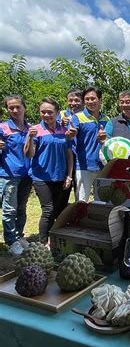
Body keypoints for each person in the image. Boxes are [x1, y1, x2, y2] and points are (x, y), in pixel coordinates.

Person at [24, 98, 73, 245]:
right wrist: (30, 138)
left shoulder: (65, 130)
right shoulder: (35, 130)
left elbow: (69, 154)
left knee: (59, 210)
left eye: (50, 112)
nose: (46, 115)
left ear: (57, 112)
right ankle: (43, 243)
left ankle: (56, 239)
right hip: (41, 177)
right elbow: (29, 154)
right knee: (48, 210)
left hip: (60, 176)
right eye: (43, 112)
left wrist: (69, 176)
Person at [0, 95, 32, 255]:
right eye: (11, 107)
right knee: (9, 210)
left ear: (24, 107)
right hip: (8, 174)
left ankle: (19, 236)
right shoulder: (3, 128)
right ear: (7, 109)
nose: (15, 110)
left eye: (18, 107)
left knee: (21, 208)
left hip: (26, 174)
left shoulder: (30, 128)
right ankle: (11, 241)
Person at [71, 86, 110, 202]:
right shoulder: (77, 117)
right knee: (81, 202)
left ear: (100, 100)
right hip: (84, 166)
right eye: (87, 99)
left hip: (103, 166)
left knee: (103, 201)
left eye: (93, 98)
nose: (90, 101)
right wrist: (71, 133)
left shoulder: (106, 119)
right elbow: (73, 132)